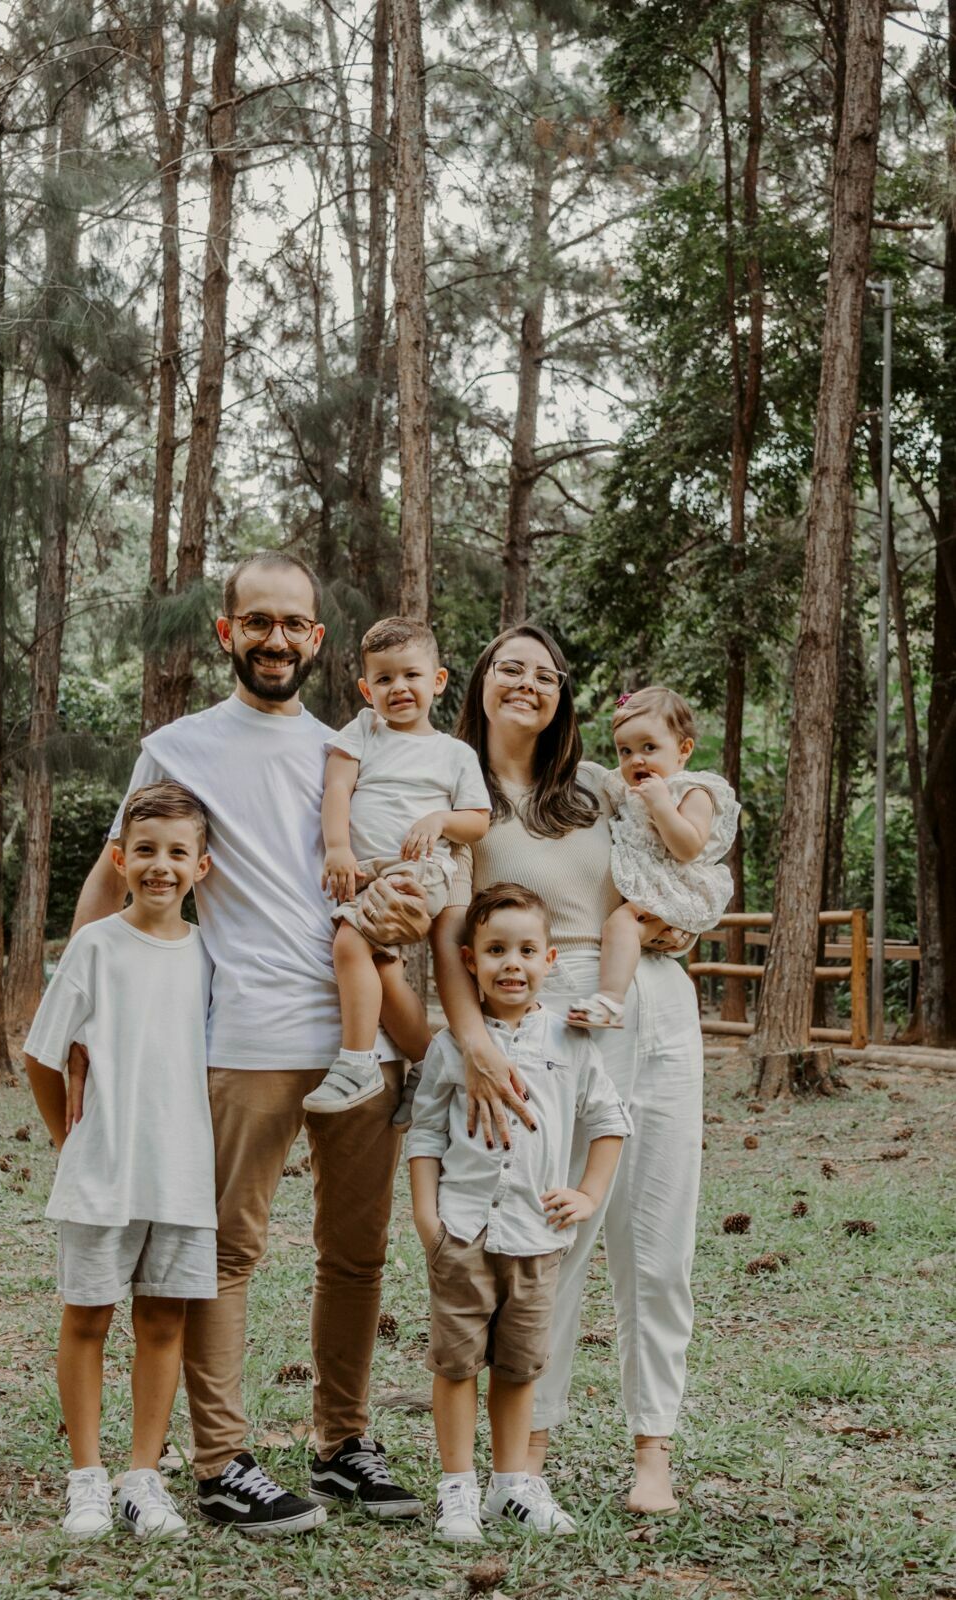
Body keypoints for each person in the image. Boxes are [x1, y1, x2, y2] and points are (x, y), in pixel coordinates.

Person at [70, 552, 429, 1536]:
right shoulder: (177, 748)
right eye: (255, 621)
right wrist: (78, 1014)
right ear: (226, 632)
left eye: (294, 624)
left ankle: (342, 1441)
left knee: (356, 1254)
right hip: (245, 1036)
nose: (275, 638)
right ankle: (223, 1461)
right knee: (224, 1252)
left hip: (358, 1041)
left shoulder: (347, 750)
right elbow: (113, 878)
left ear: (318, 639)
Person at [431, 626, 703, 1518]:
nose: (528, 684)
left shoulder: (595, 786)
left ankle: (651, 1449)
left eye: (546, 675)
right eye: (510, 668)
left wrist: (679, 923)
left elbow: (677, 863)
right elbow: (445, 937)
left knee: (656, 1242)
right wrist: (470, 1038)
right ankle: (526, 1454)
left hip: (647, 1003)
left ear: (562, 698)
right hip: (537, 1027)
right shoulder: (455, 792)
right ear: (479, 683)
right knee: (543, 1231)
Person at [407, 883, 632, 1542]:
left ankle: (512, 1487)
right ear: (470, 960)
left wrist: (587, 1192)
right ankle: (457, 1489)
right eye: (496, 949)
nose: (511, 963)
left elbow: (608, 1119)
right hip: (464, 1228)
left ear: (550, 959)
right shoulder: (454, 1046)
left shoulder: (569, 1039)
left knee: (518, 1365)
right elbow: (423, 1134)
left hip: (536, 1236)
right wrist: (427, 1217)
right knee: (454, 1365)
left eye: (526, 950)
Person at [23, 781, 216, 1542]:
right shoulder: (96, 945)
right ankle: (87, 1479)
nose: (161, 866)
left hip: (182, 1172)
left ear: (202, 866)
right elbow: (42, 1055)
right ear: (119, 858)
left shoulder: (210, 953)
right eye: (145, 851)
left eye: (178, 853)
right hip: (103, 1170)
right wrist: (68, 1142)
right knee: (88, 1319)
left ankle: (142, 1476)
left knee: (164, 1322)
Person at [306, 615, 490, 1114]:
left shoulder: (454, 754)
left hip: (419, 871)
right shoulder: (364, 731)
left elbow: (478, 821)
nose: (399, 687)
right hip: (368, 872)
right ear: (367, 690)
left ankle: (356, 1062)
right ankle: (429, 1064)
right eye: (384, 679)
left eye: (411, 674)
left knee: (349, 940)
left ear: (438, 680)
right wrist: (338, 848)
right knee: (380, 966)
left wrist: (440, 820)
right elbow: (337, 790)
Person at [572, 684, 740, 1029]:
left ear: (683, 750)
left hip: (674, 887)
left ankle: (610, 1001)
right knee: (622, 925)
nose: (636, 759)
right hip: (645, 890)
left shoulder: (691, 790)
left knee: (620, 924)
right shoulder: (626, 790)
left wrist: (662, 805)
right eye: (625, 750)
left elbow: (689, 846)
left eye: (649, 747)